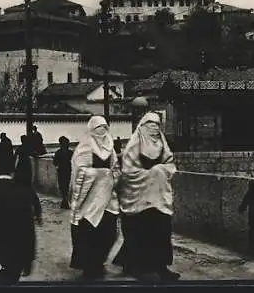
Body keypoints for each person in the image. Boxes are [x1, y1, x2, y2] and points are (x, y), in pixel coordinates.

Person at [116, 112, 180, 282]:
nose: (154, 129)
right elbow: (128, 172)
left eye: (157, 126)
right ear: (142, 127)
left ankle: (161, 267)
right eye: (150, 126)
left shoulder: (162, 145)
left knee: (161, 232)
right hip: (138, 197)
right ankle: (137, 266)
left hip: (159, 197)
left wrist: (161, 171)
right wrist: (152, 174)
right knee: (141, 232)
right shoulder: (134, 146)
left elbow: (170, 164)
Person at [69, 115, 120, 280]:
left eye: (105, 128)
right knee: (89, 234)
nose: (102, 131)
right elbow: (78, 172)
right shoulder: (84, 148)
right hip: (88, 200)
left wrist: (110, 179)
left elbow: (116, 170)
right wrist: (100, 175)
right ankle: (89, 266)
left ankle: (99, 262)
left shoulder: (110, 147)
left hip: (107, 200)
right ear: (91, 130)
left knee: (108, 232)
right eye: (98, 128)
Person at [53, 136, 73, 209]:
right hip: (67, 171)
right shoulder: (70, 153)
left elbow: (55, 162)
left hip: (61, 172)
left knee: (62, 187)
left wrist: (58, 165)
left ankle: (64, 201)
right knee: (65, 187)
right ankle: (65, 201)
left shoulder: (58, 152)